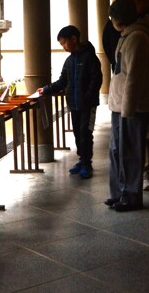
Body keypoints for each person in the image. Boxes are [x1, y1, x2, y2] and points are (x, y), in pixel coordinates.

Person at [105, 0, 149, 212]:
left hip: (130, 107)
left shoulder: (137, 38)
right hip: (119, 104)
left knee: (131, 152)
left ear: (118, 18)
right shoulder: (126, 36)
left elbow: (133, 76)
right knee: (117, 150)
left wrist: (127, 109)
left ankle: (131, 195)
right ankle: (119, 192)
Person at [36, 25, 102, 179]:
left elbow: (96, 80)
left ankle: (87, 163)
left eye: (64, 43)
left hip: (88, 105)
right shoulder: (69, 61)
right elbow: (62, 81)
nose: (64, 47)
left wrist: (87, 96)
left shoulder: (90, 57)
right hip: (74, 104)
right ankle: (82, 159)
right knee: (78, 133)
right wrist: (46, 89)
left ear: (74, 39)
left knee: (86, 133)